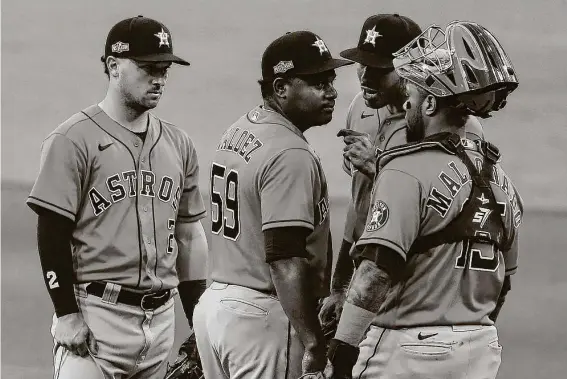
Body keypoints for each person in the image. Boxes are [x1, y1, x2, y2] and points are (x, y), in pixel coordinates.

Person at [326, 21, 522, 379]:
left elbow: (375, 272)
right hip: (478, 347)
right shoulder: (501, 180)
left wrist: (341, 357)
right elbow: (504, 278)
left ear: (430, 102)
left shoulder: (404, 173)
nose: (407, 100)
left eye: (412, 94)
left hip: (408, 349)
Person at [26, 15, 208, 378]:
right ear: (113, 66)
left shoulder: (179, 144)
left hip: (160, 325)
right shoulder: (72, 140)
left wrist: (200, 324)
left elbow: (188, 236)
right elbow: (52, 231)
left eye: (165, 69)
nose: (158, 78)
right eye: (147, 68)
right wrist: (65, 313)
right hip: (94, 321)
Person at [192, 31, 352, 379]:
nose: (332, 91)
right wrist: (312, 341)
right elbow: (284, 258)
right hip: (262, 315)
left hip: (217, 307)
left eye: (331, 80)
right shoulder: (290, 154)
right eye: (317, 82)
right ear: (281, 87)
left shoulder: (241, 129)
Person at [318, 14, 485, 331]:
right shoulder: (361, 108)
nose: (365, 77)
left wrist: (377, 164)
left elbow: (458, 209)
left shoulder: (453, 124)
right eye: (361, 63)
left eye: (380, 70)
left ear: (413, 67)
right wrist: (340, 285)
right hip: (368, 274)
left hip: (423, 284)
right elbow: (360, 203)